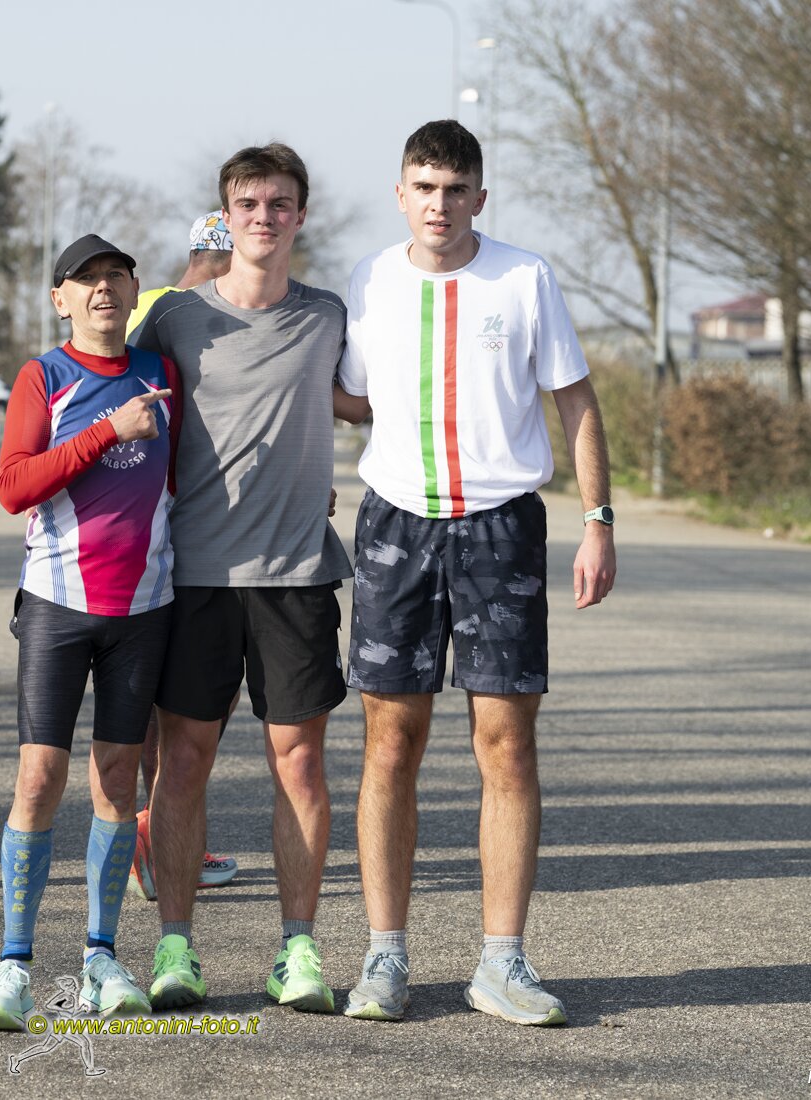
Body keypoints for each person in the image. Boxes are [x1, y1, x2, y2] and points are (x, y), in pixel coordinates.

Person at [333, 120, 617, 1026]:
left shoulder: (525, 278)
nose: (440, 204)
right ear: (400, 195)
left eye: (456, 189)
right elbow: (350, 399)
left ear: (480, 198)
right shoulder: (370, 281)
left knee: (507, 744)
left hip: (501, 528)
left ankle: (503, 962)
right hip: (396, 526)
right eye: (424, 187)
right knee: (391, 742)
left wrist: (599, 521)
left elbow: (575, 399)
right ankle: (384, 956)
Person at [131, 144, 351, 1015]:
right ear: (227, 217)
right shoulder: (176, 318)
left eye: (280, 203)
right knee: (183, 761)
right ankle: (175, 948)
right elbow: (111, 392)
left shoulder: (328, 316)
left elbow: (375, 400)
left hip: (297, 575)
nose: (265, 217)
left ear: (302, 214)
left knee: (300, 764)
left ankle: (297, 949)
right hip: (196, 575)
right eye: (249, 204)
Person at [0, 235, 181, 1031]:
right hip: (57, 604)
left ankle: (101, 956)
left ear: (134, 291)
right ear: (60, 299)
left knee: (119, 782)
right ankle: (14, 966)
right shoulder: (45, 376)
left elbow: (188, 478)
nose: (101, 290)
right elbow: (12, 487)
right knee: (38, 779)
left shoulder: (161, 375)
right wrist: (105, 432)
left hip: (144, 608)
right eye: (85, 280)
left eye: (114, 277)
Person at [125, 211, 239, 901]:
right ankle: (160, 833)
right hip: (193, 522)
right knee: (195, 697)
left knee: (161, 695)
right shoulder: (199, 315)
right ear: (225, 256)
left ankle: (159, 829)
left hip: (152, 522)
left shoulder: (144, 306)